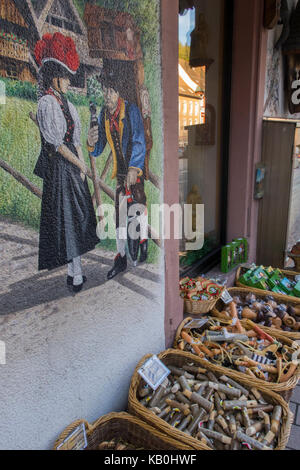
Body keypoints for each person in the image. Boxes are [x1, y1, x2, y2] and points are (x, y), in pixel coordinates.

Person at [34, 33, 99, 293]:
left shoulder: (68, 104)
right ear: (54, 77)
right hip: (60, 168)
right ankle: (76, 274)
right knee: (68, 222)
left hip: (73, 167)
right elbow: (57, 144)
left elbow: (75, 139)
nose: (69, 82)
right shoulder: (47, 103)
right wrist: (78, 165)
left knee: (80, 218)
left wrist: (82, 164)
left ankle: (75, 272)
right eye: (65, 76)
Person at [87, 66, 148, 280]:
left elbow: (139, 140)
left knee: (138, 207)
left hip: (134, 169)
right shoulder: (104, 115)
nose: (107, 95)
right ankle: (121, 257)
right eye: (104, 91)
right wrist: (91, 141)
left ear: (118, 93)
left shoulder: (130, 111)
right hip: (121, 174)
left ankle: (142, 240)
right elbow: (99, 146)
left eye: (110, 91)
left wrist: (134, 168)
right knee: (120, 217)